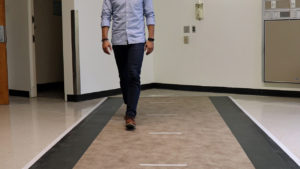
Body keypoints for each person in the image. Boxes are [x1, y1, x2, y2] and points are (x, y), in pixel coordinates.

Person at [101, 0, 155, 130]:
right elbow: (106, 15)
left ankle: (130, 114)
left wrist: (151, 39)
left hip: (137, 39)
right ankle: (129, 101)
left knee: (133, 75)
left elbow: (149, 14)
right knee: (124, 76)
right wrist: (104, 39)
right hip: (118, 40)